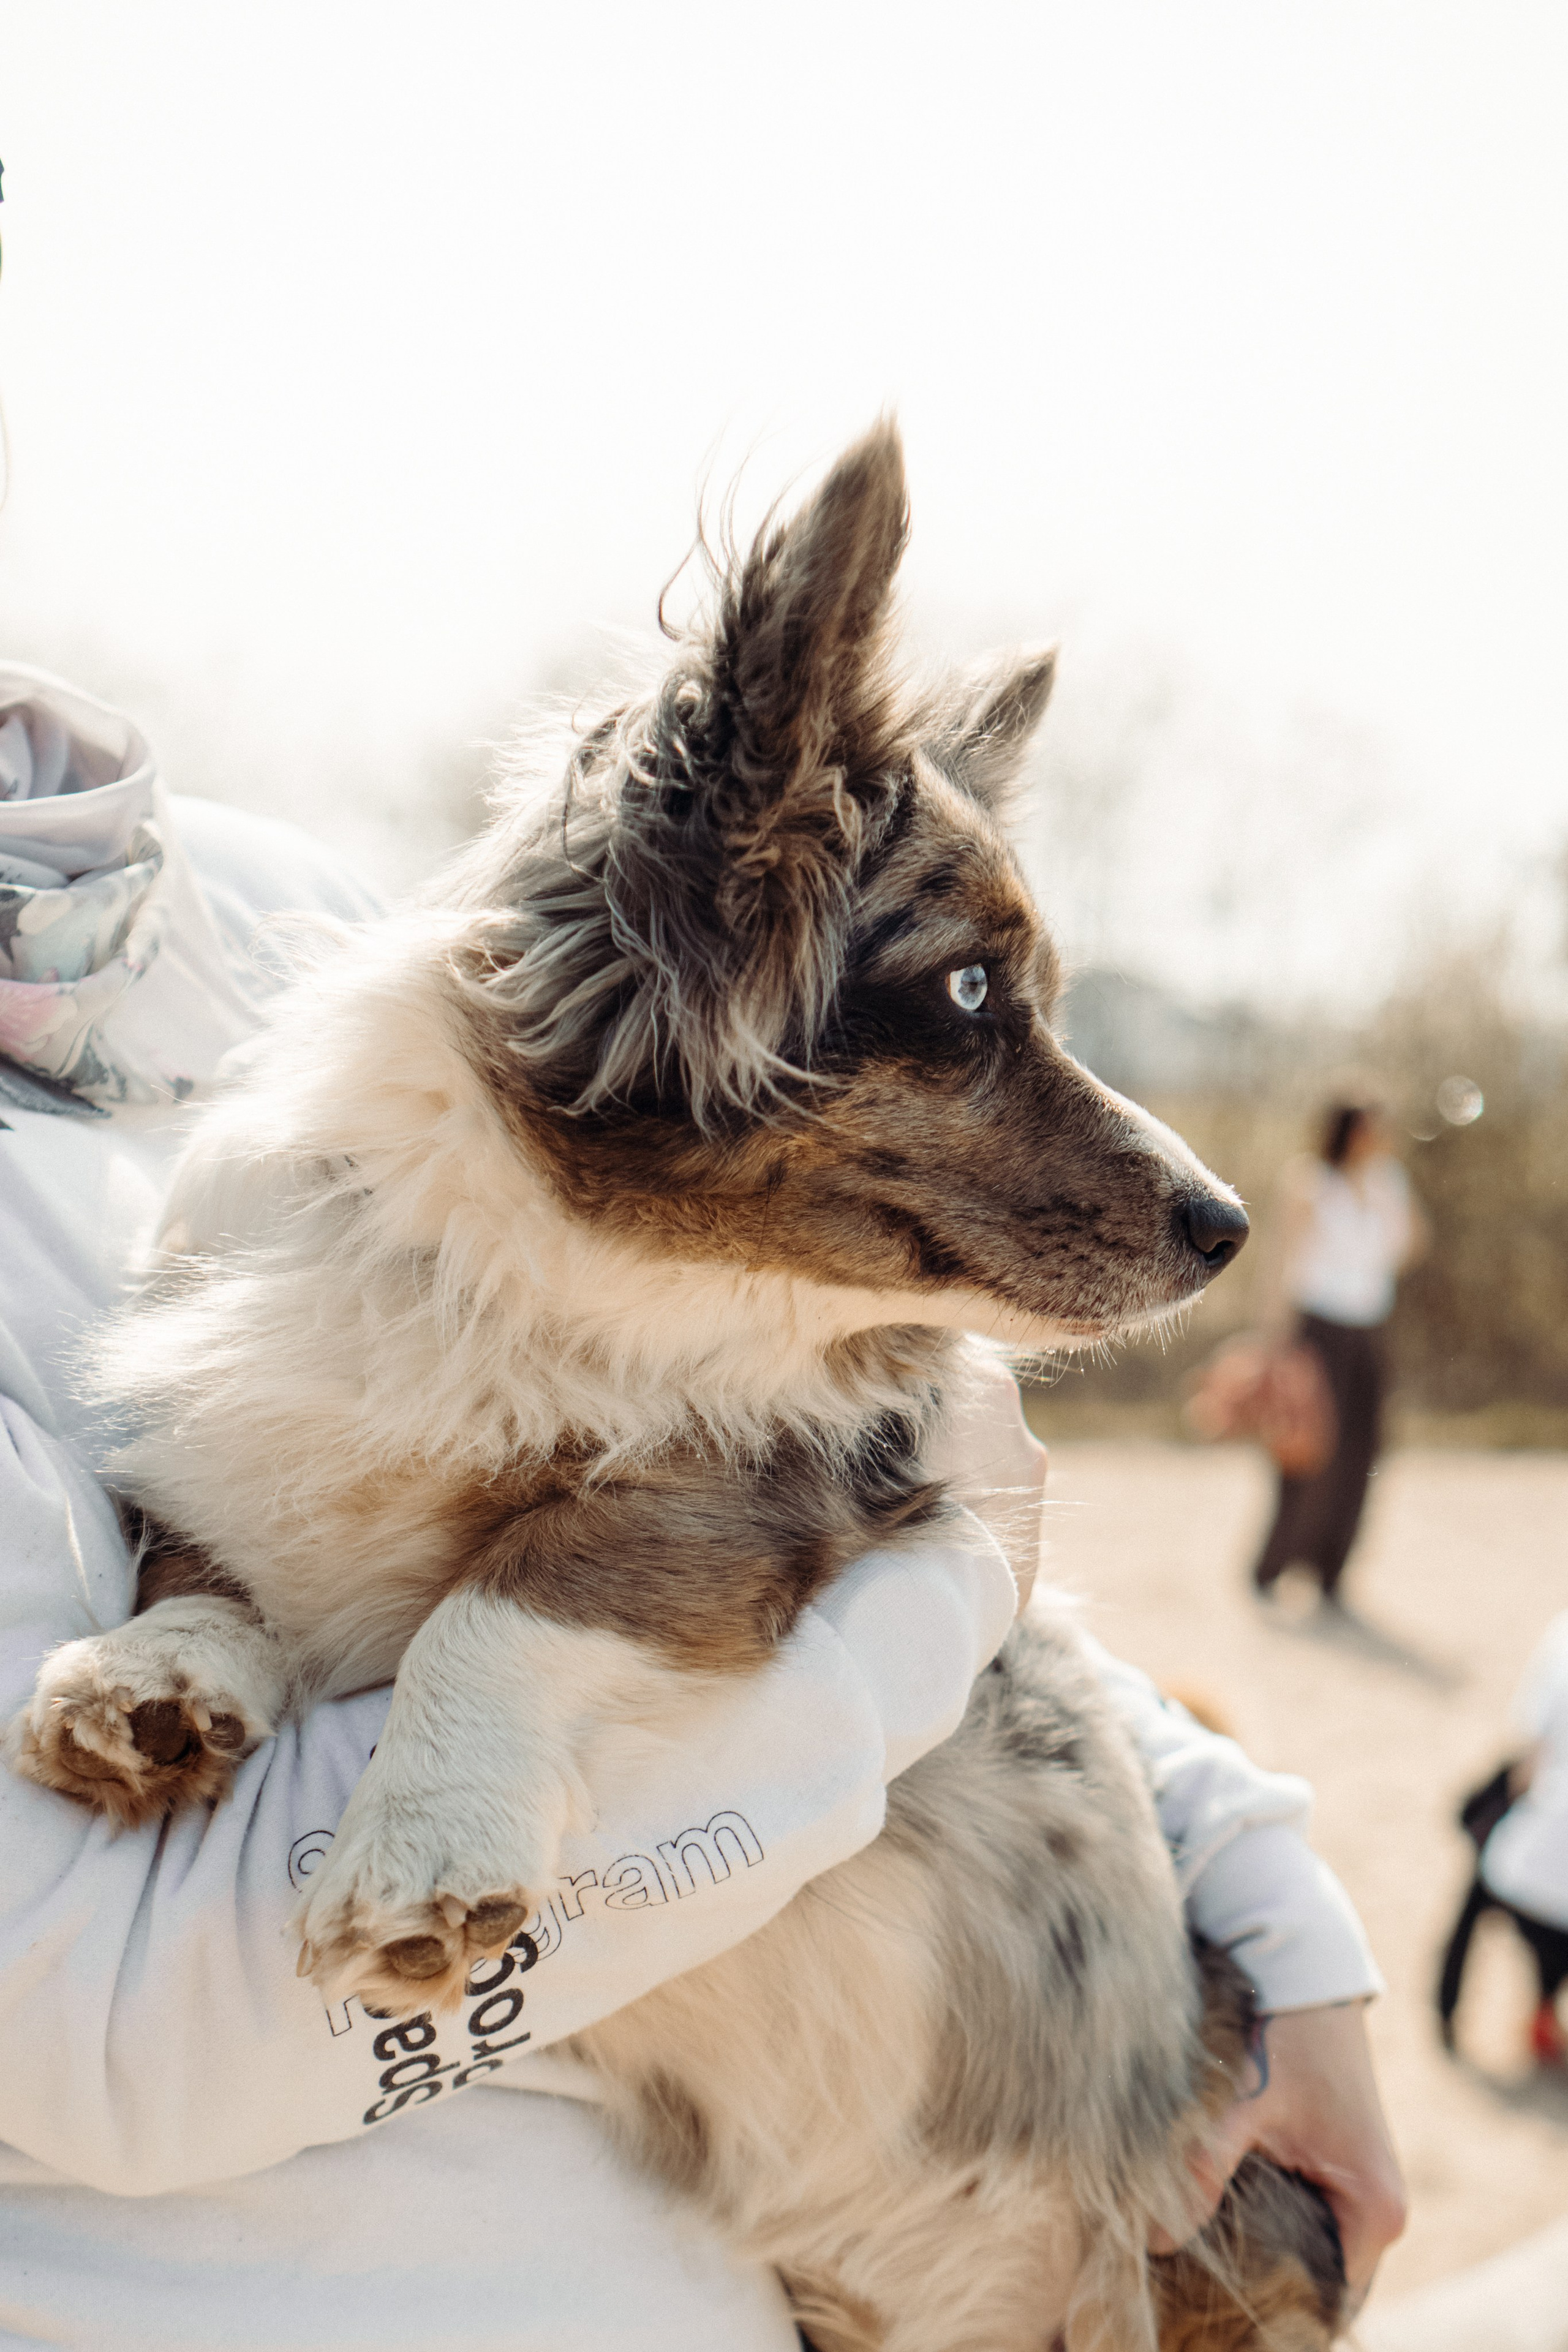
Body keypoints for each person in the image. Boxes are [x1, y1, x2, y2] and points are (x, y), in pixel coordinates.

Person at [0, 665, 1404, 2346]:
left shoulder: (260, 894)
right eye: (972, 1004)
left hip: (1099, 2161)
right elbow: (111, 2030)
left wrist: (1271, 1896)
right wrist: (934, 1598)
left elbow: (715, 1398)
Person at [1250, 1094, 1430, 1607]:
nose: (1384, 1138)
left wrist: (1389, 1193)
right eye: (1375, 1129)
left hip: (1368, 1327)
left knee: (1362, 1449)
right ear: (1350, 1131)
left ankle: (1332, 1572)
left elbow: (1413, 1246)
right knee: (1304, 1447)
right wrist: (1274, 1339)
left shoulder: (1387, 1182)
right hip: (1317, 1327)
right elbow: (1281, 1263)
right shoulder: (1309, 1182)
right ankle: (1273, 1565)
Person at [1438, 1611, 1568, 2068]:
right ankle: (1544, 2010)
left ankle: (1445, 2010)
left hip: (1523, 1874)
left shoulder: (1563, 1639)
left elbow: (1527, 1764)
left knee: (1486, 1867)